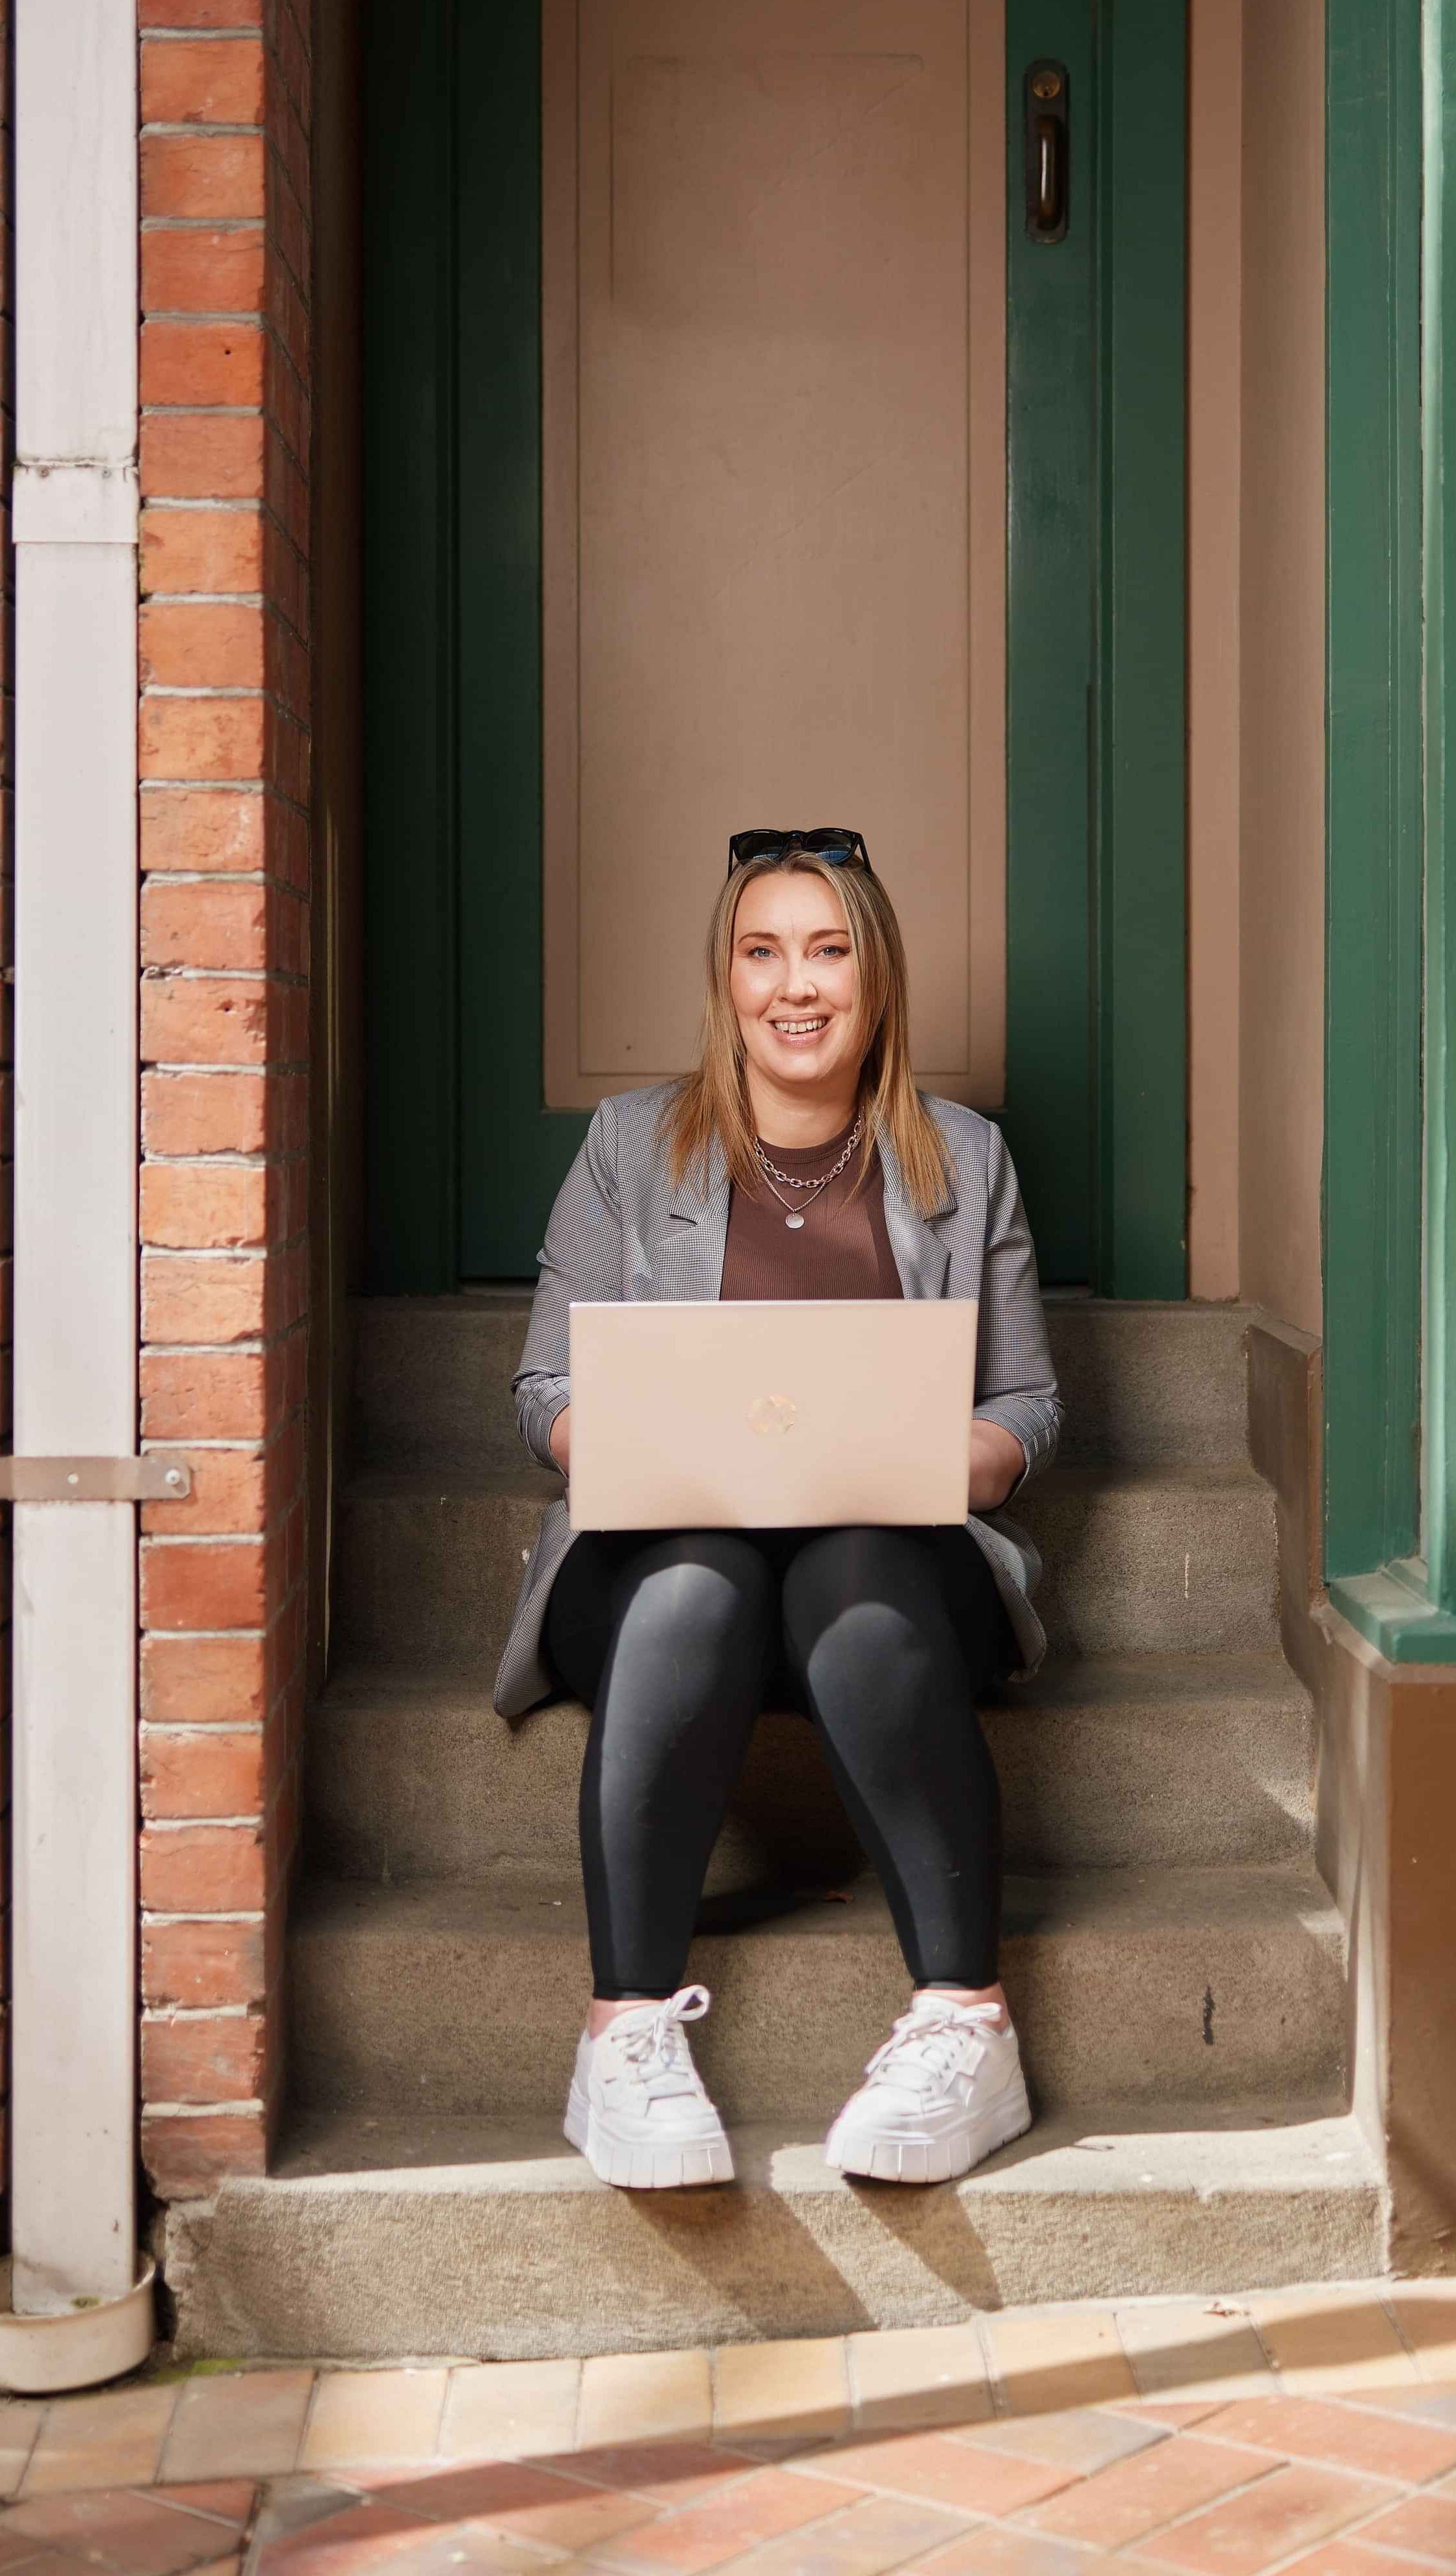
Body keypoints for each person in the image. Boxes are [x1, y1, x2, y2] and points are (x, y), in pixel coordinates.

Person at [498, 828, 1062, 2191]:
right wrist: (627, 1441)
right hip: (659, 1569)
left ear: (876, 979)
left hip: (885, 1573)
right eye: (762, 952)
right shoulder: (632, 1146)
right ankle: (624, 2036)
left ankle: (966, 2024)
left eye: (827, 951)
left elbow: (1028, 1405)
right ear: (726, 979)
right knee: (698, 1578)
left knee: (852, 1577)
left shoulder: (963, 1158)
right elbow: (542, 1385)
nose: (793, 986)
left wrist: (931, 1457)